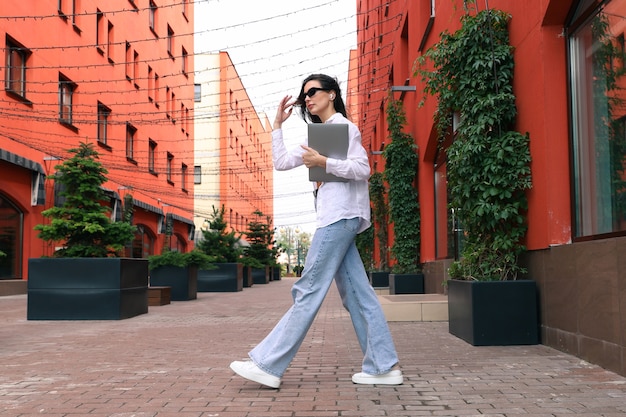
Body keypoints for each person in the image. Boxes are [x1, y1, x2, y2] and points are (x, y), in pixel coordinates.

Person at [230, 74, 402, 388]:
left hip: (339, 220)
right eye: (304, 94)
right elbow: (281, 162)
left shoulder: (344, 128)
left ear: (332, 94)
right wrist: (278, 127)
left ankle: (269, 365)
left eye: (313, 91)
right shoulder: (321, 134)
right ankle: (382, 366)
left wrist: (325, 162)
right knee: (358, 296)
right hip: (336, 219)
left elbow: (363, 169)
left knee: (307, 290)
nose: (307, 98)